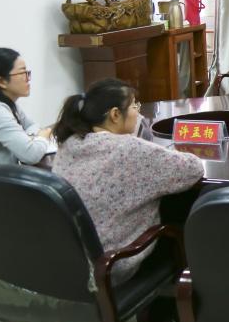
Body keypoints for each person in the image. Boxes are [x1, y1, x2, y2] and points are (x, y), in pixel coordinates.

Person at [52, 78, 203, 284]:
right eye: (134, 106)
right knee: (182, 209)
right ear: (115, 114)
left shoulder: (70, 143)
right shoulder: (128, 148)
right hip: (112, 266)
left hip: (73, 262)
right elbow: (193, 169)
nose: (138, 113)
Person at [0, 47, 51, 170]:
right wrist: (43, 136)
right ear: (2, 81)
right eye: (22, 73)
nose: (28, 79)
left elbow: (32, 125)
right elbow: (31, 155)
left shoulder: (6, 103)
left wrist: (29, 137)